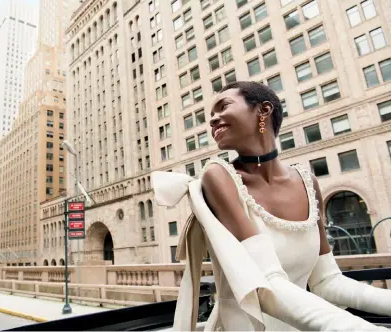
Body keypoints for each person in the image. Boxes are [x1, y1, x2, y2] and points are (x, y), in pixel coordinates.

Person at [151, 81, 390, 331]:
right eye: (210, 115)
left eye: (223, 107)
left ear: (263, 110)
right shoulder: (218, 176)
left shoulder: (308, 182)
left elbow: (327, 281)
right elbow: (267, 285)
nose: (213, 120)